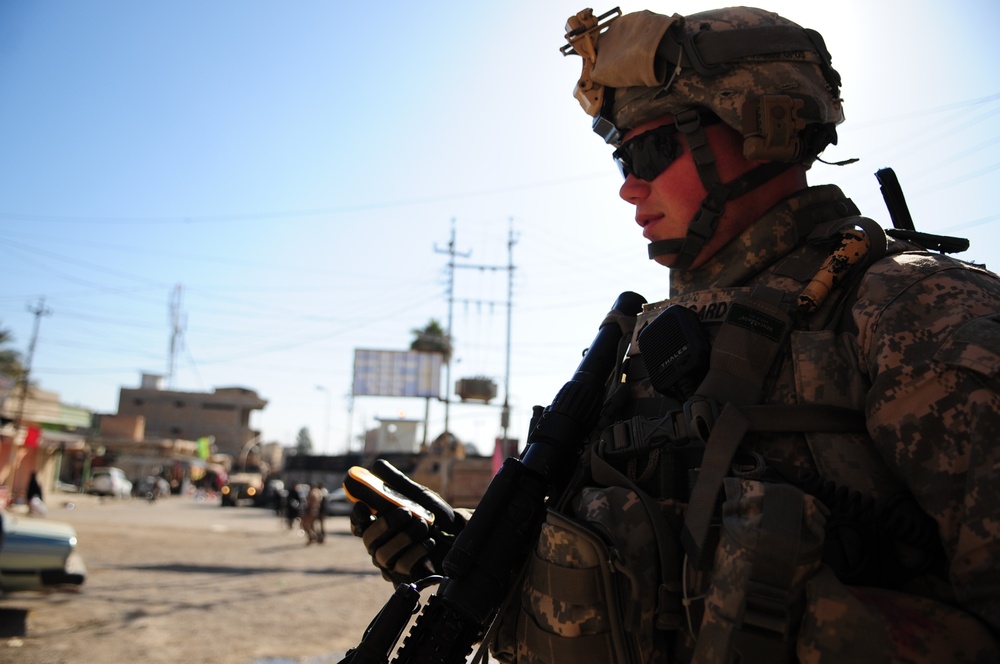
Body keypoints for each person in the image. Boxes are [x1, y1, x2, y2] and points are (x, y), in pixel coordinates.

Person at [350, 7, 1000, 662]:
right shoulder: (651, 340)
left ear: (765, 128)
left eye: (651, 151)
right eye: (621, 160)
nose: (630, 188)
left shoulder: (915, 311)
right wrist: (480, 559)